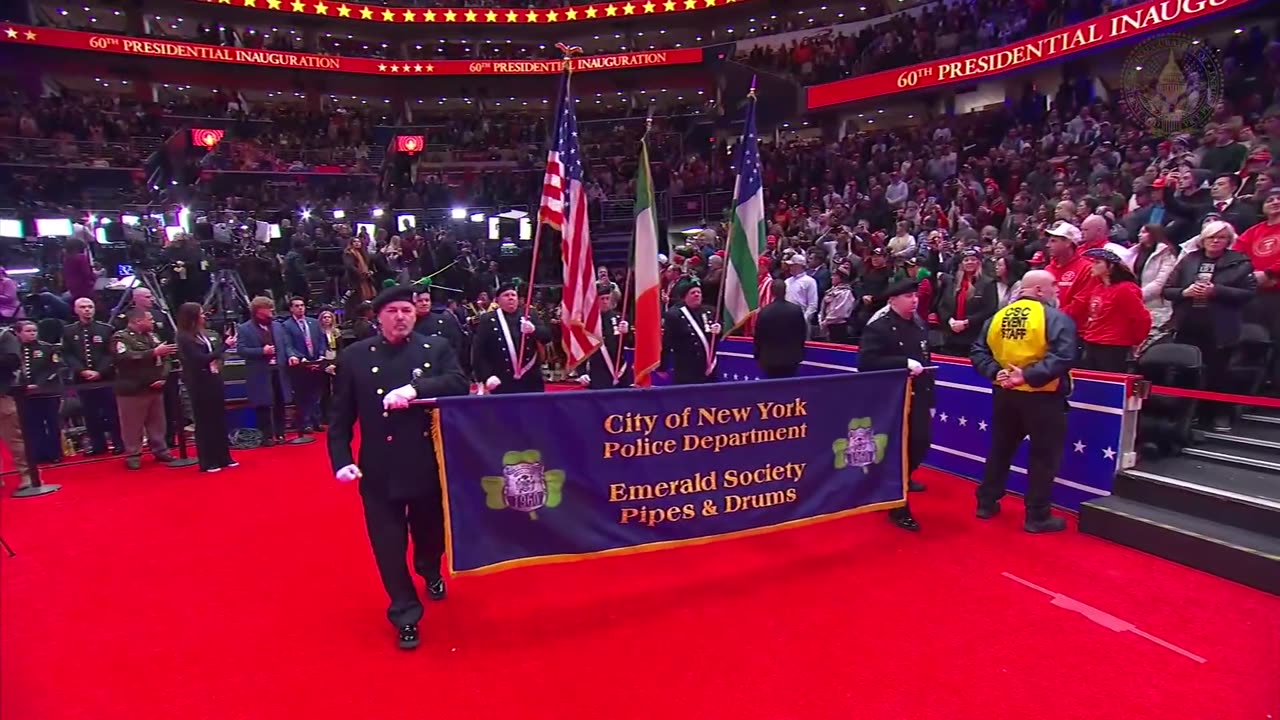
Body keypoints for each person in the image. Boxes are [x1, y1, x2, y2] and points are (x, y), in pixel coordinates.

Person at [327, 285, 470, 650]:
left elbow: (458, 384)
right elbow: (340, 417)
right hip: (379, 470)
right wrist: (341, 459)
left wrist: (414, 389)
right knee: (388, 548)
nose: (401, 317)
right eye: (393, 311)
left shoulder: (433, 348)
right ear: (379, 316)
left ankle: (429, 568)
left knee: (430, 536)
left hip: (425, 465)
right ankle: (405, 612)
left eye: (407, 310)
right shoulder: (357, 356)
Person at [969, 270, 1077, 533]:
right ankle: (1037, 516)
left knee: (1000, 449)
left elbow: (977, 351)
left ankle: (986, 503)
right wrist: (1027, 376)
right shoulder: (1054, 318)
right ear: (1039, 290)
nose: (1057, 289)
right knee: (1043, 457)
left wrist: (996, 372)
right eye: (1053, 285)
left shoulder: (997, 317)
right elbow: (1064, 356)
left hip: (1004, 393)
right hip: (1042, 397)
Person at [1162, 220, 1257, 430]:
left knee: (1218, 373)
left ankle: (1218, 414)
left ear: (1228, 241)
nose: (1215, 241)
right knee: (1187, 372)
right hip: (1188, 323)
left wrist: (1217, 291)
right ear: (1202, 240)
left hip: (1220, 327)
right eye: (1210, 237)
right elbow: (1167, 290)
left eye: (1220, 237)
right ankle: (1188, 414)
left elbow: (1249, 294)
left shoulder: (1240, 262)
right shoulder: (1189, 260)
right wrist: (1184, 293)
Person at [857, 279, 934, 531]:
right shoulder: (879, 327)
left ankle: (896, 481)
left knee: (921, 442)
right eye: (908, 296)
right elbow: (866, 363)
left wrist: (931, 396)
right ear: (892, 300)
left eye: (916, 296)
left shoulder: (919, 325)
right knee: (897, 449)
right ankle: (897, 502)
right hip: (891, 400)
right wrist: (902, 363)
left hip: (918, 396)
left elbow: (926, 359)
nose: (914, 300)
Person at [1065, 248, 1152, 373]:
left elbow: (1141, 318)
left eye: (1097, 262)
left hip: (1113, 346)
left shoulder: (1125, 289)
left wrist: (1134, 341)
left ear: (1111, 266)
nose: (1092, 266)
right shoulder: (1098, 288)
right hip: (1091, 341)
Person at [112, 308, 177, 470]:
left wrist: (163, 376)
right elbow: (124, 357)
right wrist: (153, 352)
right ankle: (133, 454)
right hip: (133, 388)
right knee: (132, 424)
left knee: (157, 422)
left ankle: (160, 449)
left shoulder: (153, 336)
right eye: (150, 319)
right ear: (138, 321)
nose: (153, 322)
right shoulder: (121, 337)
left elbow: (166, 358)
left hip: (155, 387)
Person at [175, 302, 236, 473]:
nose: (204, 316)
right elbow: (200, 359)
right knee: (205, 422)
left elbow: (211, 355)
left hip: (213, 378)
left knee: (219, 419)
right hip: (199, 382)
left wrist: (223, 342)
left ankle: (223, 456)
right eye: (201, 314)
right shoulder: (184, 338)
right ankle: (208, 460)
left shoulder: (202, 334)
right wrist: (225, 346)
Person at [62, 297, 122, 456]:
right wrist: (81, 370)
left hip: (105, 378)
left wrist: (99, 372)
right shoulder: (68, 331)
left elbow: (111, 353)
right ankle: (97, 444)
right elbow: (67, 354)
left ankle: (118, 442)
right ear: (76, 310)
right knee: (90, 413)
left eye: (90, 306)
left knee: (112, 412)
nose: (87, 310)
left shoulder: (106, 329)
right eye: (83, 307)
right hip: (82, 380)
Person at [471, 283, 551, 395]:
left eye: (513, 295)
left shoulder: (529, 314)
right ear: (498, 300)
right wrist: (486, 376)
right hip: (501, 377)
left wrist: (534, 330)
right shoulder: (488, 319)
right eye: (506, 295)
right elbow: (479, 352)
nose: (511, 298)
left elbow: (547, 336)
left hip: (530, 377)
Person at [236, 297, 290, 445]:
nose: (271, 311)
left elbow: (285, 344)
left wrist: (290, 356)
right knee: (263, 404)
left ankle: (280, 433)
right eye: (268, 308)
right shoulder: (244, 328)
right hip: (259, 371)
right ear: (259, 311)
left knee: (280, 400)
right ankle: (266, 436)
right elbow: (241, 350)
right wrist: (261, 351)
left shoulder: (278, 326)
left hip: (278, 369)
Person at [14, 320, 63, 463]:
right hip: (25, 394)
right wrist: (24, 385)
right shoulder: (14, 350)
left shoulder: (48, 348)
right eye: (28, 331)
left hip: (48, 392)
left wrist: (39, 384)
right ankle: (38, 454)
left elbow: (55, 368)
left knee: (52, 423)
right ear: (18, 333)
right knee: (33, 425)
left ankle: (55, 453)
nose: (32, 334)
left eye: (34, 331)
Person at [280, 296, 326, 434]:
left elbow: (321, 340)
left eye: (302, 305)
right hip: (300, 365)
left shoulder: (313, 322)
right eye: (297, 306)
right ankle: (305, 423)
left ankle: (316, 420)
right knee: (303, 396)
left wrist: (321, 355)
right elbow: (288, 345)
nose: (300, 308)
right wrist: (300, 358)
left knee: (316, 394)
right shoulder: (286, 325)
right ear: (291, 309)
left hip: (316, 363)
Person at [661, 282, 721, 385]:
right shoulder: (675, 314)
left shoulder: (709, 311)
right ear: (685, 297)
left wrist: (719, 329)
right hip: (686, 367)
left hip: (708, 364)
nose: (697, 295)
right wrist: (662, 366)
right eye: (693, 293)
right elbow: (667, 341)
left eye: (699, 292)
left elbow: (715, 336)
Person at [579, 283, 633, 389]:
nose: (605, 302)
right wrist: (582, 372)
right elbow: (581, 348)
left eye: (607, 298)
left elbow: (630, 344)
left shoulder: (619, 318)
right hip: (599, 370)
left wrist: (627, 333)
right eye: (602, 298)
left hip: (620, 369)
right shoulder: (588, 322)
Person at [0, 328, 35, 489]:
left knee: (15, 439)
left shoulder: (4, 335)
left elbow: (13, 360)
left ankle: (28, 475)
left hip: (3, 394)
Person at [753, 291, 808, 379]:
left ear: (773, 293)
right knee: (789, 387)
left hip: (769, 358)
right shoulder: (796, 310)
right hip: (792, 357)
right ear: (785, 291)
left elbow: (759, 335)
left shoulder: (765, 311)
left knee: (772, 388)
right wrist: (801, 352)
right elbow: (802, 333)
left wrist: (757, 353)